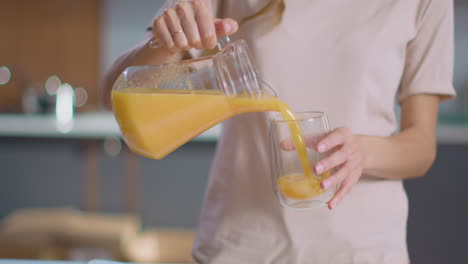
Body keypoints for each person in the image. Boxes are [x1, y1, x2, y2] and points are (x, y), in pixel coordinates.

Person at [102, 0, 456, 263]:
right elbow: (112, 93)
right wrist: (165, 43)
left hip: (362, 249)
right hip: (243, 247)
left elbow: (421, 146)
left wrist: (363, 152)